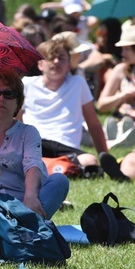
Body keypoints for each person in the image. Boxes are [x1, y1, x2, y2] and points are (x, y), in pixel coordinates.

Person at [0, 70, 69, 219]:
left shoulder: (28, 133)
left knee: (59, 180)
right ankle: (27, 230)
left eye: (9, 94)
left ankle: (23, 226)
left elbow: (32, 166)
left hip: (24, 203)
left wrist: (31, 196)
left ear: (17, 102)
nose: (1, 99)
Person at [21, 39, 108, 172]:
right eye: (51, 58)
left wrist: (105, 156)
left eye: (61, 58)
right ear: (40, 64)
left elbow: (93, 124)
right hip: (36, 143)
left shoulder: (77, 83)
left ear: (68, 64)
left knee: (90, 161)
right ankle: (61, 167)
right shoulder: (27, 84)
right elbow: (15, 121)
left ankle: (51, 166)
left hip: (67, 147)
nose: (56, 62)